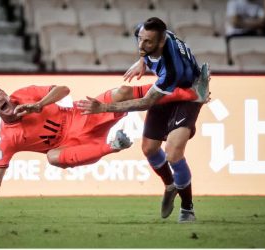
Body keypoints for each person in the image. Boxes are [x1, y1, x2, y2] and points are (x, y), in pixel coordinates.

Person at [0, 79, 207, 222]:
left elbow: (63, 89)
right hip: (75, 147)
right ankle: (113, 146)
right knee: (52, 158)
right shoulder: (8, 139)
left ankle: (188, 92)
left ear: (4, 92)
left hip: (83, 115)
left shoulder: (24, 95)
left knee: (122, 91)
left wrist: (39, 105)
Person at [78, 17, 210, 223]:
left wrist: (103, 108)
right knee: (149, 149)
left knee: (174, 153)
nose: (141, 44)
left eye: (148, 42)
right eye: (140, 39)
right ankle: (170, 185)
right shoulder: (146, 32)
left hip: (189, 94)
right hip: (165, 89)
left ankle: (187, 208)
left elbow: (145, 103)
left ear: (161, 42)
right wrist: (141, 60)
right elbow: (145, 39)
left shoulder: (171, 69)